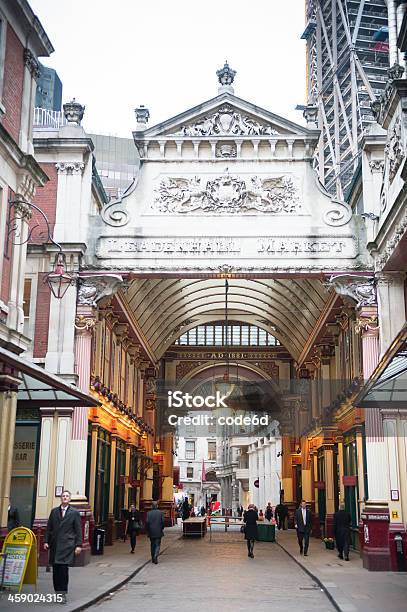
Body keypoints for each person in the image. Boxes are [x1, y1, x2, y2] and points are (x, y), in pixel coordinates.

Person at [44, 491, 82, 604]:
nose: (65, 498)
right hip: (55, 545)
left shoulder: (74, 512)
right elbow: (49, 528)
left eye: (67, 496)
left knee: (63, 571)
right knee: (56, 571)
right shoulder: (54, 511)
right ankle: (57, 593)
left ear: (69, 499)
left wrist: (78, 545)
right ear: (61, 498)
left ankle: (63, 594)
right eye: (63, 496)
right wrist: (46, 541)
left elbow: (78, 530)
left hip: (67, 546)